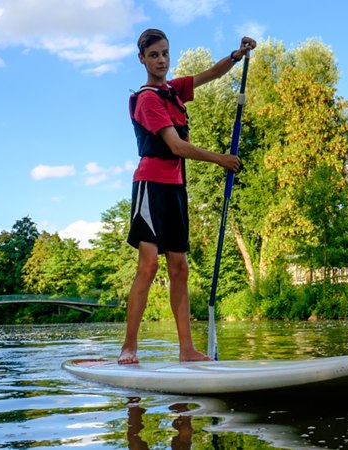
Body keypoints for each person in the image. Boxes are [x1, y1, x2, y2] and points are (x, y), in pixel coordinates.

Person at [119, 29, 257, 364]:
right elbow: (176, 146)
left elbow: (210, 74)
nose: (161, 60)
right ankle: (129, 348)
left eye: (165, 53)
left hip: (176, 188)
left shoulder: (174, 90)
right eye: (154, 55)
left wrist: (236, 56)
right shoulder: (149, 99)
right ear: (142, 59)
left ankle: (186, 350)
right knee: (149, 265)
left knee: (179, 267)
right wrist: (220, 159)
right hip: (151, 185)